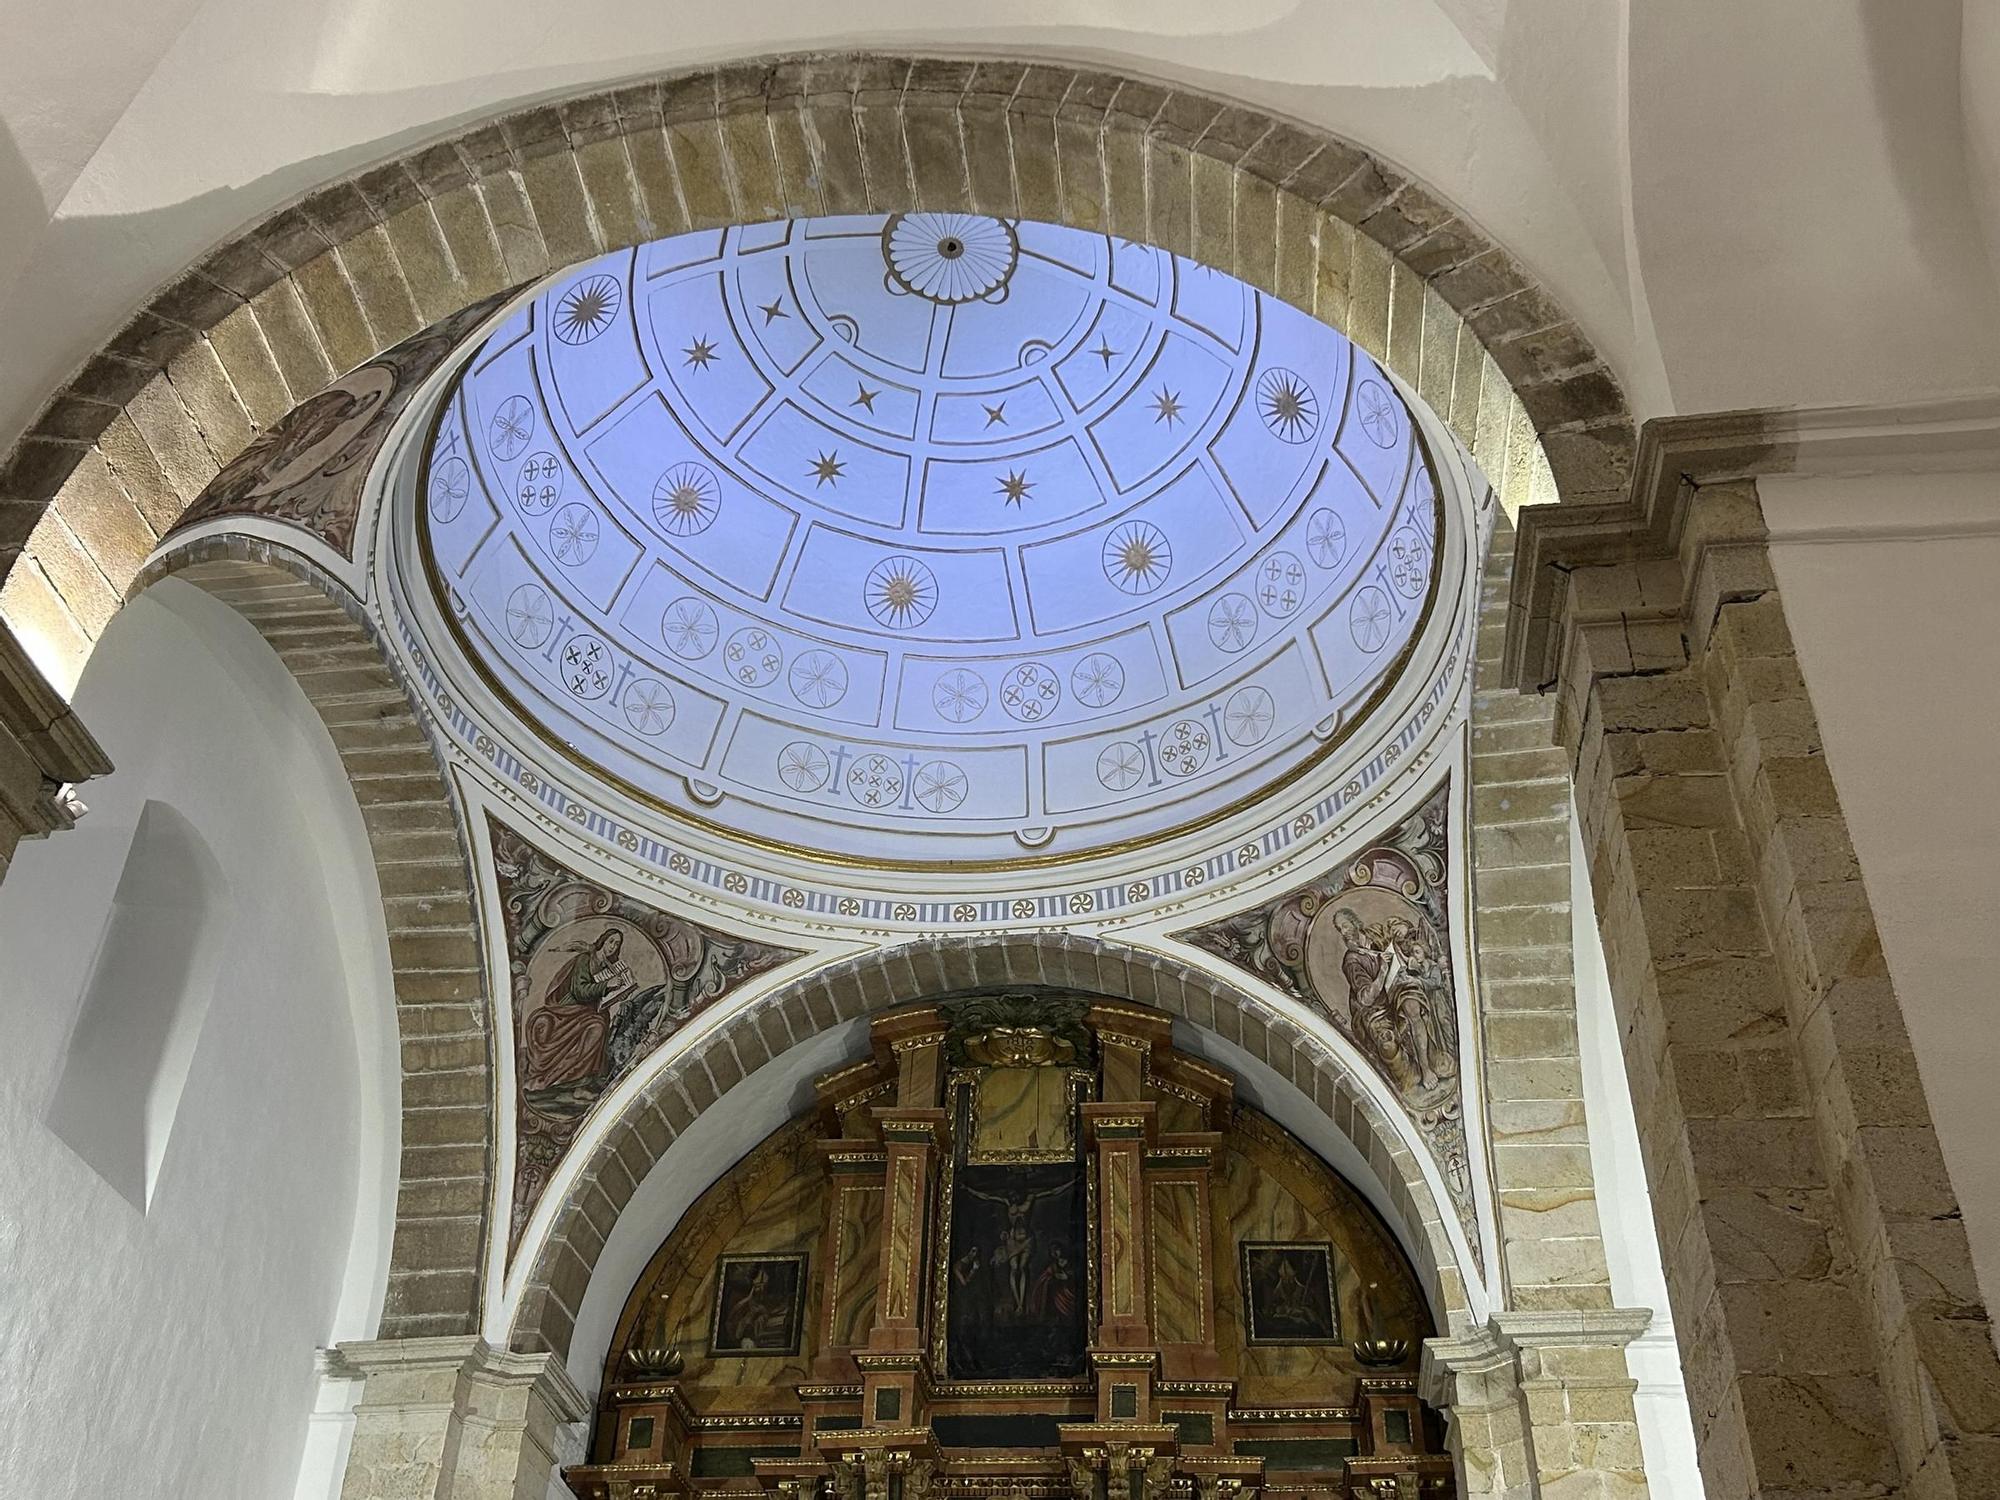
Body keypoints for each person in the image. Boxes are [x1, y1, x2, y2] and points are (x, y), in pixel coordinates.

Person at [521, 927, 638, 1098]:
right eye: (611, 941)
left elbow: (601, 996)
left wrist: (619, 993)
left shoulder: (609, 966)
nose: (613, 946)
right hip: (568, 1010)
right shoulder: (585, 960)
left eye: (617, 944)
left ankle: (580, 1084)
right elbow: (580, 991)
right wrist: (608, 985)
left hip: (588, 1012)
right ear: (603, 940)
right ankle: (551, 1079)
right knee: (596, 1026)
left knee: (599, 1024)